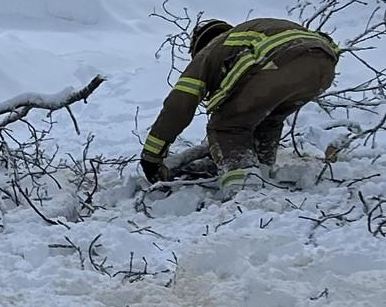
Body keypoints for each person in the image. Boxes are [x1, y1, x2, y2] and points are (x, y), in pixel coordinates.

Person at [140, 16, 339, 196]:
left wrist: (152, 156)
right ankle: (261, 169)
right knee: (269, 119)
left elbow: (178, 106)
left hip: (279, 60)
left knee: (227, 126)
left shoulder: (210, 51)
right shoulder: (248, 36)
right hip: (323, 64)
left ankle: (245, 192)